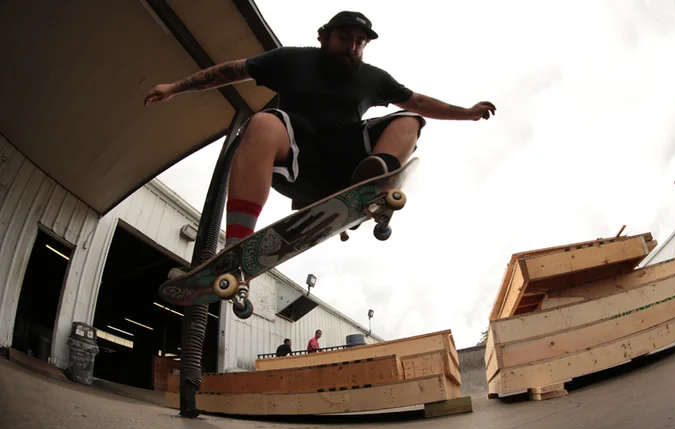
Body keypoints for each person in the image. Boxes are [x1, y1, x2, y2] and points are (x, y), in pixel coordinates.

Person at [144, 11, 496, 253]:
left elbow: (418, 101)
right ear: (323, 36)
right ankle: (238, 243)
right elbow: (230, 71)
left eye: (361, 42)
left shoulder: (373, 77)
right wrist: (175, 86)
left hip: (350, 161)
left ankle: (373, 179)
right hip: (298, 156)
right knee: (264, 121)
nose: (353, 47)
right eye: (345, 38)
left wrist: (466, 114)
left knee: (409, 120)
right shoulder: (291, 59)